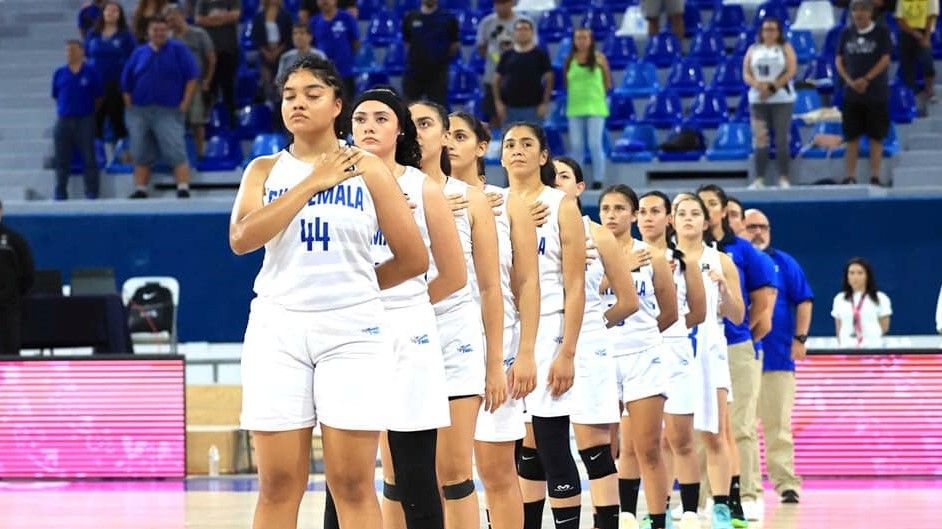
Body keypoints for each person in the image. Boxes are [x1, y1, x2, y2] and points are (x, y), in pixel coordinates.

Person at [230, 55, 428, 529]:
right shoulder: (263, 169)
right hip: (277, 328)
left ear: (337, 104)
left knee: (353, 483)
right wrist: (313, 182)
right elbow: (241, 238)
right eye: (289, 95)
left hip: (352, 330)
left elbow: (414, 258)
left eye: (312, 94)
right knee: (278, 483)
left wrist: (357, 288)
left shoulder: (370, 169)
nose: (298, 103)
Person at [325, 86, 464, 529]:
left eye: (381, 118)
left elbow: (454, 274)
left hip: (408, 328)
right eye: (361, 117)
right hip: (347, 326)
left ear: (399, 127)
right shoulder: (330, 181)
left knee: (414, 469)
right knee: (345, 473)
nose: (369, 126)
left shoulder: (422, 186)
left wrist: (406, 304)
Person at [408, 100, 505, 529]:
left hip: (455, 333)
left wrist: (497, 363)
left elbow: (489, 287)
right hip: (402, 333)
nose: (416, 131)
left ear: (445, 136)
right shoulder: (381, 191)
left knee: (454, 469)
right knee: (402, 474)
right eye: (408, 124)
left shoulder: (473, 199)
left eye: (425, 123)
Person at [448, 111, 540, 529]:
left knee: (497, 469)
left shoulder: (508, 204)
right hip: (440, 344)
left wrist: (524, 354)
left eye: (461, 135)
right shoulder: (421, 195)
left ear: (482, 147)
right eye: (444, 134)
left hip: (494, 348)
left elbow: (526, 284)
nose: (450, 142)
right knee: (442, 473)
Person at [503, 122, 586, 529]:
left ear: (543, 156)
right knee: (514, 449)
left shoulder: (561, 205)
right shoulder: (491, 204)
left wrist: (567, 352)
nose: (517, 150)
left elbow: (574, 284)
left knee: (552, 443)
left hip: (549, 330)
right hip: (503, 332)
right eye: (510, 144)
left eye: (527, 144)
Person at [554, 158, 638, 529]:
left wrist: (591, 324)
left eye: (565, 176)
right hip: (542, 343)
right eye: (552, 175)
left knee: (595, 450)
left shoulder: (596, 233)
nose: (557, 181)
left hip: (589, 344)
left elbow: (628, 301)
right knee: (538, 451)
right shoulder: (526, 225)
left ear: (580, 186)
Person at [697, 184, 776, 526]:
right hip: (696, 347)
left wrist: (744, 334)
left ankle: (746, 494)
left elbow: (762, 302)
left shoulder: (742, 251)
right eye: (702, 204)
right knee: (701, 427)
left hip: (735, 346)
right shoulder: (682, 251)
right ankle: (701, 498)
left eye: (714, 204)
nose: (708, 209)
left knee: (740, 425)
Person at [598, 185, 678, 529]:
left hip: (642, 355)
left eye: (619, 208)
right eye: (605, 208)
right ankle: (610, 518)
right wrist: (618, 268)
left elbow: (670, 313)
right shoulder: (588, 251)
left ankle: (659, 519)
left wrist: (639, 336)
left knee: (647, 446)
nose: (612, 215)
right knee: (603, 447)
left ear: (633, 215)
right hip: (600, 356)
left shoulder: (653, 256)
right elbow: (584, 294)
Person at [671, 192, 745, 529]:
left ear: (706, 221)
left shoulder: (721, 261)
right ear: (671, 220)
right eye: (681, 212)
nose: (688, 218)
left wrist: (725, 292)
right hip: (671, 351)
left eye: (694, 213)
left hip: (710, 350)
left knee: (715, 433)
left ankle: (721, 506)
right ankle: (664, 508)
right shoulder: (659, 258)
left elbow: (739, 316)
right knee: (668, 438)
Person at [637, 191, 707, 529]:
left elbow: (698, 311)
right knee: (644, 441)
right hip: (636, 350)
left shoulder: (683, 262)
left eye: (655, 211)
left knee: (680, 437)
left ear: (668, 218)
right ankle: (653, 511)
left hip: (674, 349)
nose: (647, 218)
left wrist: (672, 326)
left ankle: (691, 511)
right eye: (642, 212)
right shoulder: (622, 256)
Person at [743, 208, 812, 505]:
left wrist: (800, 338)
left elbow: (804, 300)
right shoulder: (735, 260)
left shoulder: (784, 263)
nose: (758, 231)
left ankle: (785, 483)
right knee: (740, 427)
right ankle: (747, 488)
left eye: (763, 227)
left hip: (778, 357)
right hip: (742, 356)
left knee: (778, 424)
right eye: (751, 226)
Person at [121, 16, 198, 199]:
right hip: (139, 112)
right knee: (140, 152)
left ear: (168, 31)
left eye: (162, 30)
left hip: (169, 111)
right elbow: (126, 82)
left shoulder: (179, 50)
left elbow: (192, 77)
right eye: (155, 30)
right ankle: (141, 189)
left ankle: (183, 187)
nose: (159, 33)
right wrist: (130, 106)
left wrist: (185, 103)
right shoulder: (138, 53)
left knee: (175, 150)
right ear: (148, 32)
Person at [836, 0, 893, 186]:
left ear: (870, 13)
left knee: (876, 137)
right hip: (852, 94)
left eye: (862, 10)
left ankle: (875, 176)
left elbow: (885, 59)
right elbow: (839, 59)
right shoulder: (846, 33)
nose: (858, 14)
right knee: (851, 137)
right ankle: (850, 176)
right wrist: (850, 81)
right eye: (855, 10)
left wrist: (867, 79)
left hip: (876, 93)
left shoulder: (882, 32)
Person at [743, 16, 798, 189]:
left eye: (773, 29)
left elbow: (791, 70)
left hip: (781, 99)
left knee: (781, 139)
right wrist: (758, 85)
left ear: (779, 32)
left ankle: (784, 177)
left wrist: (773, 88)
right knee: (760, 139)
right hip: (758, 101)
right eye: (766, 29)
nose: (769, 33)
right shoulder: (753, 49)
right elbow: (746, 72)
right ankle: (759, 178)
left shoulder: (785, 48)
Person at [52, 39, 103, 200]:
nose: (70, 53)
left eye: (73, 49)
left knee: (89, 157)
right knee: (61, 158)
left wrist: (87, 110)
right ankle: (60, 192)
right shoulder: (59, 73)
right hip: (64, 119)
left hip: (85, 120)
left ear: (82, 52)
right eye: (67, 50)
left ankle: (92, 192)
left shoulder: (91, 72)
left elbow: (99, 96)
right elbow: (56, 95)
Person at [563, 28, 612, 190]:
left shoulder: (599, 58)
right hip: (575, 108)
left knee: (594, 144)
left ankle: (598, 179)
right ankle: (575, 178)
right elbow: (566, 82)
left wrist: (596, 97)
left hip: (595, 107)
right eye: (578, 38)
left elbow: (607, 82)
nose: (581, 41)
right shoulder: (570, 59)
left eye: (584, 37)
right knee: (576, 146)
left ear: (591, 40)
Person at [166, 4, 216, 158]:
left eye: (173, 18)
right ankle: (178, 155)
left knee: (196, 121)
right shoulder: (167, 38)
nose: (171, 22)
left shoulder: (198, 34)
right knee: (174, 122)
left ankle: (200, 153)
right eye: (168, 20)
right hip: (173, 86)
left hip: (195, 83)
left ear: (182, 16)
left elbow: (211, 58)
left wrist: (207, 79)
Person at [85, 1, 135, 143]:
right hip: (96, 85)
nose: (111, 13)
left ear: (120, 15)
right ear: (103, 13)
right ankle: (98, 155)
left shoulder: (126, 36)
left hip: (116, 84)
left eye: (115, 11)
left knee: (117, 120)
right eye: (108, 10)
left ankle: (121, 155)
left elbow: (134, 58)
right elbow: (87, 55)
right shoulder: (93, 34)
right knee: (95, 121)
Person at [492, 19, 554, 127]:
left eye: (525, 29)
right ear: (514, 33)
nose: (522, 32)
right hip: (509, 109)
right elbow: (496, 79)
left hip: (534, 109)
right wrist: (498, 102)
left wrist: (545, 103)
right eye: (519, 29)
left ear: (532, 32)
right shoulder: (507, 55)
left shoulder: (540, 54)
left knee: (533, 141)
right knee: (510, 142)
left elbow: (549, 79)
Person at [475, 0, 529, 125]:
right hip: (492, 78)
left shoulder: (523, 22)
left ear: (512, 3)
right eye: (498, 3)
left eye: (504, 3)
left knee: (520, 120)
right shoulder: (486, 23)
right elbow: (482, 47)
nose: (501, 7)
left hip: (518, 79)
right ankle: (497, 143)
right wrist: (497, 61)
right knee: (494, 116)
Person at [402, 0, 460, 106]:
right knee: (410, 108)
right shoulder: (410, 17)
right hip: (414, 72)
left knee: (437, 110)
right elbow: (407, 43)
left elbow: (454, 45)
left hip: (438, 74)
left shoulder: (449, 19)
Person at [195, 0, 241, 123]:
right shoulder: (202, 2)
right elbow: (199, 20)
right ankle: (207, 120)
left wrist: (212, 19)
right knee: (209, 86)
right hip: (209, 51)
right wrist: (224, 19)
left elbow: (236, 15)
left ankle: (232, 118)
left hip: (229, 50)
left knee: (229, 87)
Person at [0, 199, 36, 357]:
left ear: (1, 211)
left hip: (8, 310)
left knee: (9, 357)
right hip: (9, 306)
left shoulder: (14, 241)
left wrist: (13, 296)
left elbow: (28, 274)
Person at [831, 257, 892, 348]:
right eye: (851, 273)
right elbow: (838, 327)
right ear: (847, 276)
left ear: (867, 276)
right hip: (847, 349)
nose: (855, 277)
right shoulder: (839, 299)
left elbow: (884, 327)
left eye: (860, 273)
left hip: (873, 349)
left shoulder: (880, 298)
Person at [310, 0, 360, 106]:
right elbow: (312, 46)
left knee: (347, 106)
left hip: (345, 71)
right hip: (323, 74)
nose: (324, 1)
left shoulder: (347, 18)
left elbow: (355, 42)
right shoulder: (314, 21)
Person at [251, 0, 294, 103]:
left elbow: (289, 37)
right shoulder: (259, 16)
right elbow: (255, 37)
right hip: (264, 54)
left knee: (281, 81)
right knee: (266, 80)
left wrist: (278, 50)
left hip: (282, 53)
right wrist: (265, 51)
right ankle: (268, 102)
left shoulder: (286, 15)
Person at [896, 0, 938, 102]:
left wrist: (926, 38)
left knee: (928, 62)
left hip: (925, 32)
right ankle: (911, 92)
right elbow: (900, 19)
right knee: (906, 64)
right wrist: (913, 32)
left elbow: (931, 16)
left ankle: (929, 91)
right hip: (907, 31)